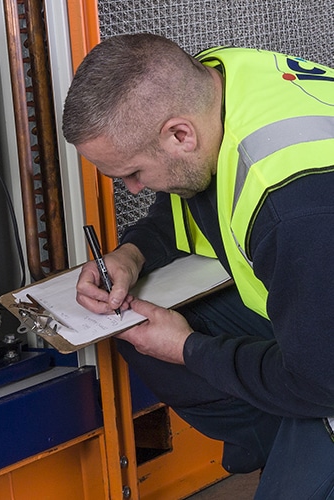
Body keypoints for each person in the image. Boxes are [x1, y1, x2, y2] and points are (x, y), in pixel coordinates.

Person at [62, 33, 334, 498]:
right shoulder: (219, 85)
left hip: (325, 373)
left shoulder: (291, 208)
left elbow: (321, 381)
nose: (132, 188)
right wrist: (130, 254)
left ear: (179, 135)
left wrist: (188, 348)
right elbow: (191, 199)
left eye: (133, 173)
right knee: (138, 327)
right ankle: (291, 445)